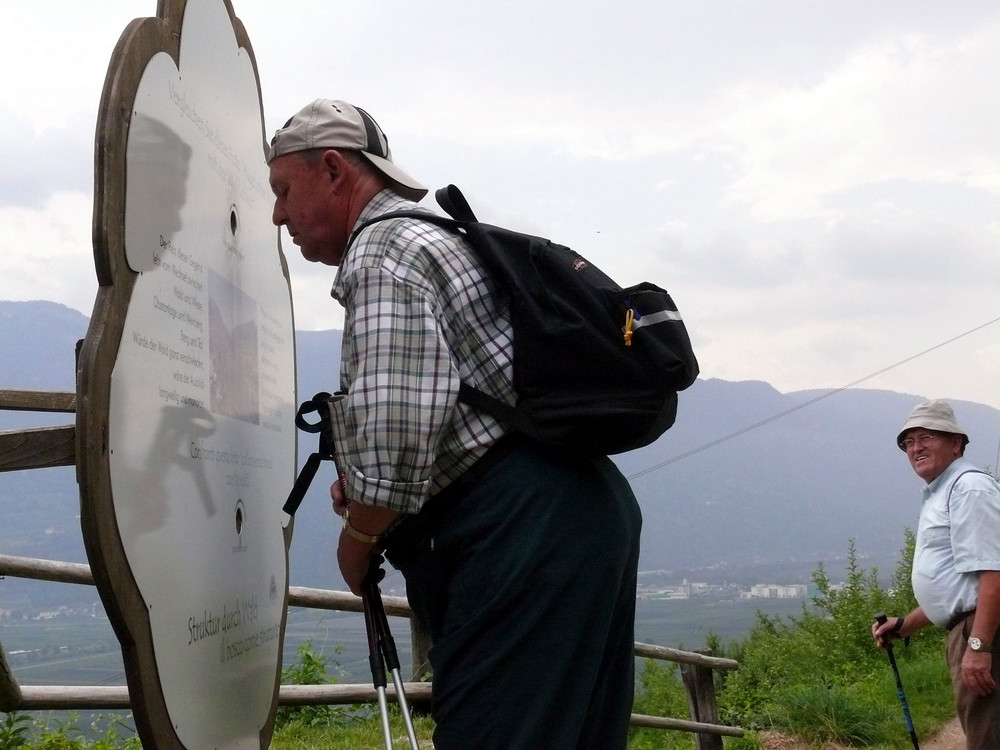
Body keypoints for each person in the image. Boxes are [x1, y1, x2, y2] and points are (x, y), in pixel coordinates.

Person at [267, 99, 642, 750]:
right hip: (579, 511)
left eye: (281, 190)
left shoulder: (383, 252)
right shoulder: (435, 239)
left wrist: (358, 540)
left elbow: (396, 439)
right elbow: (436, 419)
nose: (277, 215)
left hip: (517, 533)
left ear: (332, 169)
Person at [872, 399, 1000, 748]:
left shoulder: (968, 488)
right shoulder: (943, 490)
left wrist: (979, 645)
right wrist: (906, 624)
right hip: (970, 630)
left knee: (989, 738)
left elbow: (994, 575)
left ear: (956, 443)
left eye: (926, 437)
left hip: (982, 631)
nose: (915, 448)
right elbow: (957, 587)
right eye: (908, 442)